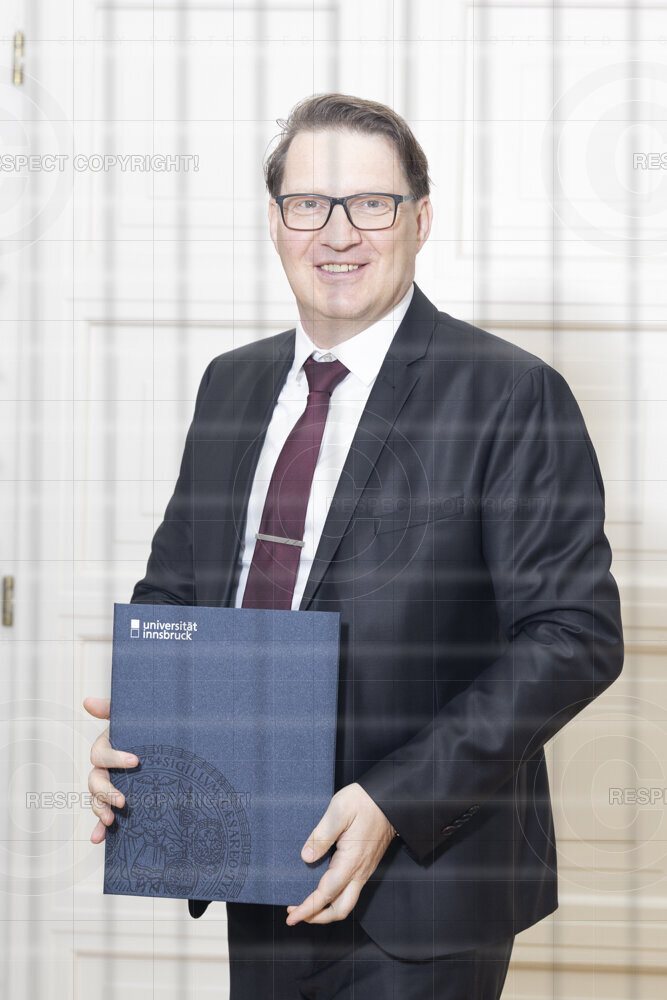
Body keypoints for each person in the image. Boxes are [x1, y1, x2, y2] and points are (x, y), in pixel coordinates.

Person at [85, 93, 624, 999]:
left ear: (420, 219)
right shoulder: (230, 385)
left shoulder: (507, 393)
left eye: (371, 203)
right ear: (275, 221)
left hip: (425, 892)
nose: (338, 233)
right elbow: (174, 593)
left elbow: (575, 637)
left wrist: (392, 801)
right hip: (252, 863)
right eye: (309, 204)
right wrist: (144, 727)